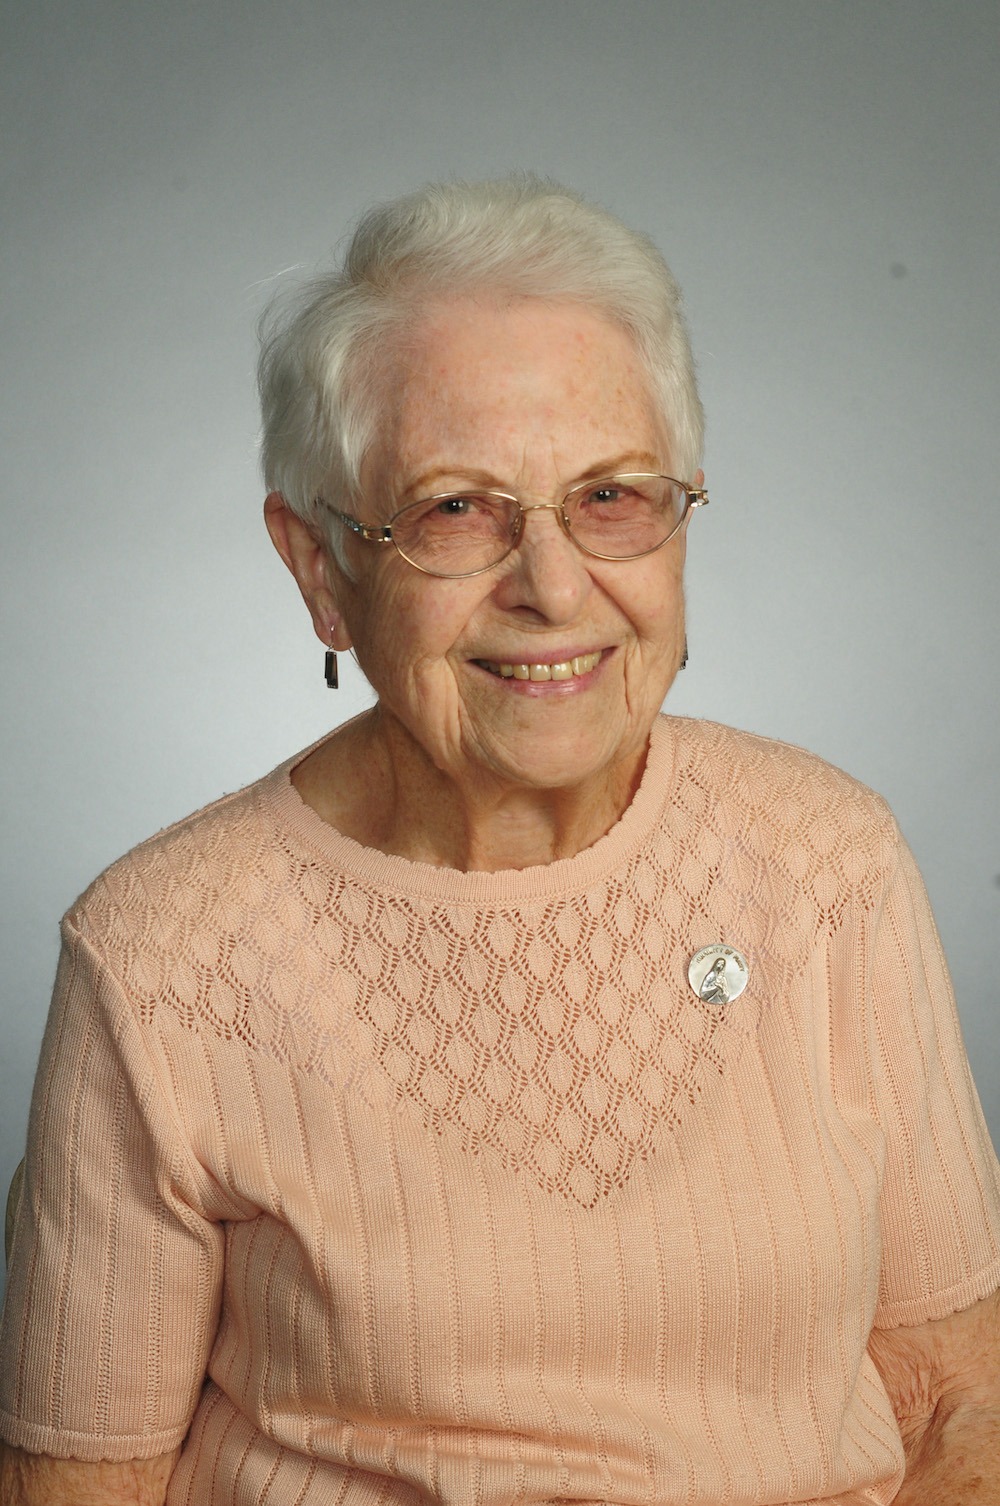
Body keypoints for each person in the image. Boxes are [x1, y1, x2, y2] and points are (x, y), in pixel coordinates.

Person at [1, 176, 998, 1506]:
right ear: (319, 568)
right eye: (457, 509)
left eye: (612, 497)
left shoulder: (831, 862)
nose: (554, 585)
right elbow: (79, 1485)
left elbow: (959, 1385)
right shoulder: (161, 955)